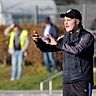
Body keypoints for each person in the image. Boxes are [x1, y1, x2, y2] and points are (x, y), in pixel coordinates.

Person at [32, 9, 94, 96]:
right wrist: (39, 42)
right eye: (64, 20)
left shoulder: (87, 36)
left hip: (81, 81)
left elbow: (77, 50)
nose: (65, 23)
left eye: (69, 20)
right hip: (67, 82)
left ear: (77, 21)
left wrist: (59, 45)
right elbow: (47, 48)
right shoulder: (65, 37)